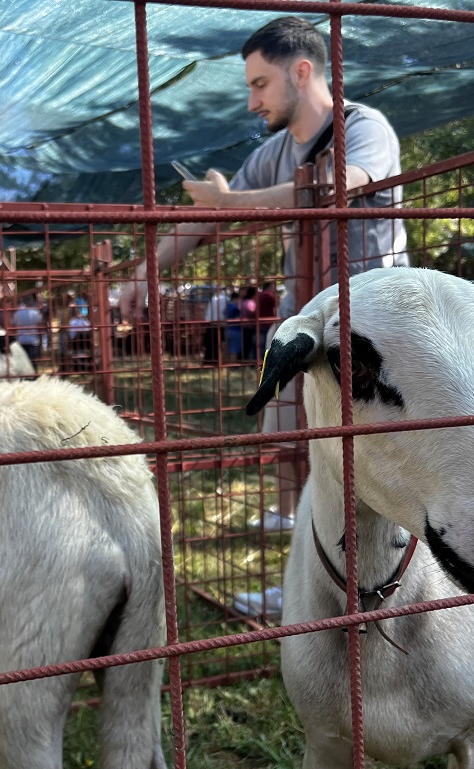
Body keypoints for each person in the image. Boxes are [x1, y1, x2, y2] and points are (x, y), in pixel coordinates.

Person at [118, 15, 408, 539]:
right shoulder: (272, 153)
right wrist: (145, 272)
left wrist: (229, 201)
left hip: (376, 322)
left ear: (301, 72)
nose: (253, 102)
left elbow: (337, 186)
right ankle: (289, 521)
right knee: (283, 417)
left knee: (364, 451)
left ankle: (380, 542)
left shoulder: (362, 127)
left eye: (259, 84)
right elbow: (211, 217)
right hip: (313, 315)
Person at [11, 297, 44, 363]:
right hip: (33, 341)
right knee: (33, 362)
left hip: (21, 340)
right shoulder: (35, 313)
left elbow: (12, 325)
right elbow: (40, 326)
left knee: (23, 363)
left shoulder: (17, 313)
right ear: (31, 302)